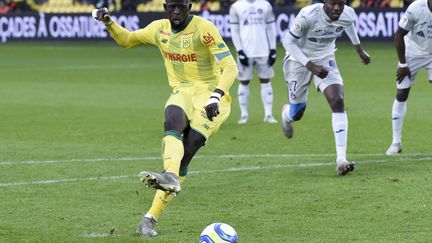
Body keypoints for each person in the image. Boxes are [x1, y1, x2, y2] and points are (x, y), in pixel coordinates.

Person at [92, 0, 238, 237]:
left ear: (190, 6)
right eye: (171, 6)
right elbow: (127, 40)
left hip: (211, 97)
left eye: (181, 6)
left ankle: (150, 217)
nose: (176, 11)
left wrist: (216, 96)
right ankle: (168, 176)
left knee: (187, 150)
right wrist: (109, 22)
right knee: (172, 118)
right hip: (182, 91)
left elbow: (230, 67)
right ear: (164, 7)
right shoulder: (159, 29)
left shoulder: (204, 29)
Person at [281, 0, 370, 175]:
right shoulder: (308, 15)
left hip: (325, 57)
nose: (337, 8)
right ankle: (286, 115)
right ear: (324, 3)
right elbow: (288, 42)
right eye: (333, 4)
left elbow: (349, 24)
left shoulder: (348, 13)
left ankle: (341, 159)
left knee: (337, 100)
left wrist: (360, 50)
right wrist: (311, 66)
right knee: (297, 113)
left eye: (341, 4)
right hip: (298, 60)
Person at [386, 0, 432, 155]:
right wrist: (403, 64)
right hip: (413, 51)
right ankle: (396, 142)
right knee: (402, 93)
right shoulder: (416, 8)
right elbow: (399, 34)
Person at [229, 0, 278, 124]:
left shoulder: (265, 5)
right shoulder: (236, 6)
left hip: (263, 51)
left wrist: (272, 49)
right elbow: (234, 30)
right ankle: (244, 115)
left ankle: (268, 115)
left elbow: (271, 28)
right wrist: (240, 51)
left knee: (266, 81)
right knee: (243, 81)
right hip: (245, 51)